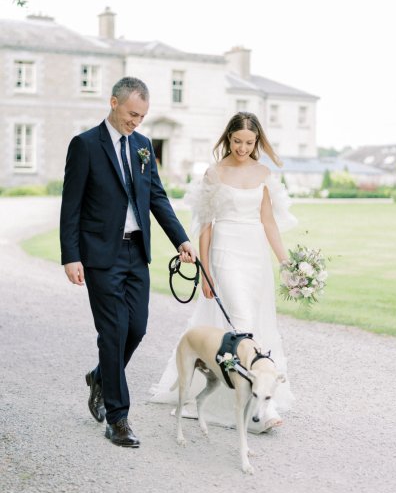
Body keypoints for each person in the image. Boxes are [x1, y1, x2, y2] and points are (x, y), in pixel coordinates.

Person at [60, 76, 196, 448]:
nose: (136, 121)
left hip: (137, 252)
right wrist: (70, 256)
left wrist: (181, 239)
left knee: (136, 328)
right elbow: (70, 205)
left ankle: (102, 376)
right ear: (114, 102)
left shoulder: (142, 146)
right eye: (133, 114)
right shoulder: (85, 145)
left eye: (142, 116)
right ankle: (118, 418)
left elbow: (157, 196)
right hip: (100, 255)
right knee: (114, 331)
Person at [150, 111, 297, 432]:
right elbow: (205, 226)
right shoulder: (214, 173)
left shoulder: (263, 173)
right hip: (225, 252)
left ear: (257, 141)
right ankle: (259, 407)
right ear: (227, 138)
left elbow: (268, 222)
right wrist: (205, 271)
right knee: (241, 320)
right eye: (237, 141)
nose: (243, 148)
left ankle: (254, 393)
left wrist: (286, 262)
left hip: (255, 254)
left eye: (249, 142)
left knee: (256, 321)